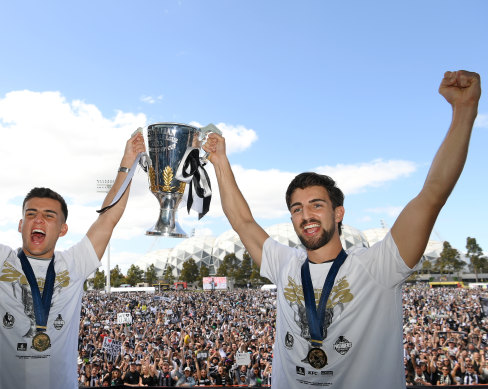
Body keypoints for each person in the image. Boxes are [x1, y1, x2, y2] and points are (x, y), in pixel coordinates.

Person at [203, 70, 481, 388]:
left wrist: (464, 111)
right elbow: (243, 222)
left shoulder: (379, 266)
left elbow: (432, 194)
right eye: (297, 209)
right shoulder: (284, 263)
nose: (306, 215)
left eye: (316, 205)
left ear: (339, 213)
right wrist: (220, 161)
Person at [0, 94, 146, 389]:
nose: (39, 220)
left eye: (49, 215)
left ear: (63, 229)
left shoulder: (75, 263)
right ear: (21, 224)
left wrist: (127, 163)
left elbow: (108, 218)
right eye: (31, 214)